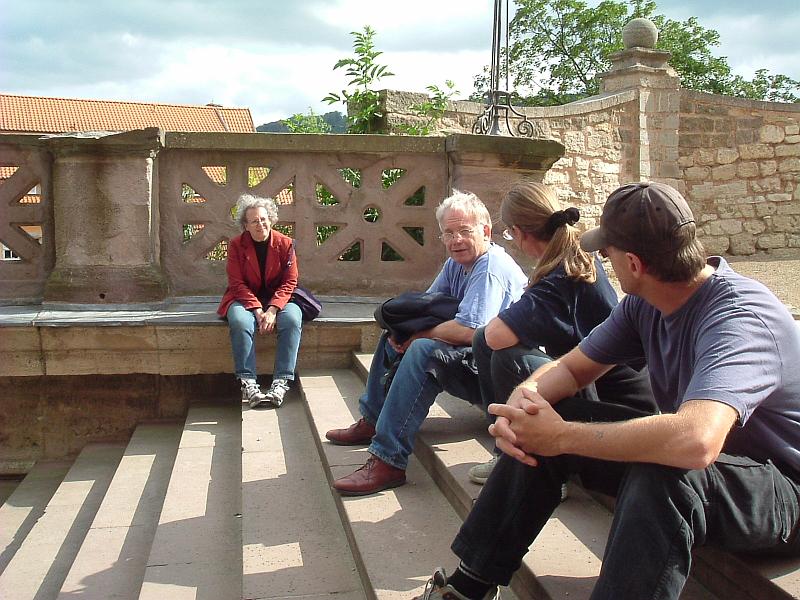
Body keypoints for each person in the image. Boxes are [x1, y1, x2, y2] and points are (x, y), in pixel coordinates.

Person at [415, 181, 800, 600]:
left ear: (633, 263)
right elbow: (572, 368)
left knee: (665, 475)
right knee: (552, 421)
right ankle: (467, 589)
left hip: (781, 490)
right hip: (718, 469)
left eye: (608, 252)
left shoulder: (740, 318)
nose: (601, 258)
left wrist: (560, 436)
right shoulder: (647, 303)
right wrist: (522, 404)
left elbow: (695, 442)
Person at [325, 190, 528, 496]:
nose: (456, 240)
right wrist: (405, 332)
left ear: (485, 231)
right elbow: (426, 308)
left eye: (464, 231)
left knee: (422, 350)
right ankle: (374, 419)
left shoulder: (490, 267)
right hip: (475, 360)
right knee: (394, 335)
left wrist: (419, 336)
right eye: (448, 233)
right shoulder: (457, 263)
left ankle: (388, 460)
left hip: (498, 379)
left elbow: (469, 330)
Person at [468, 181, 654, 485]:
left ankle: (538, 465)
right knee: (497, 348)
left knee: (506, 357)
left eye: (509, 234)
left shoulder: (562, 273)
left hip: (619, 411)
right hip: (617, 396)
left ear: (520, 233)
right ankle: (519, 451)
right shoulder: (575, 256)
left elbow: (495, 336)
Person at [217, 194, 303, 408]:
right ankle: (248, 383)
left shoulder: (285, 243)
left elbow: (290, 281)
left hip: (279, 298)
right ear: (245, 225)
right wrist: (256, 309)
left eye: (263, 219)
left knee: (292, 320)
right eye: (254, 221)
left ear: (271, 219)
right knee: (239, 321)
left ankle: (281, 382)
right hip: (244, 297)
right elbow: (236, 283)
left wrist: (273, 309)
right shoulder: (236, 245)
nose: (260, 224)